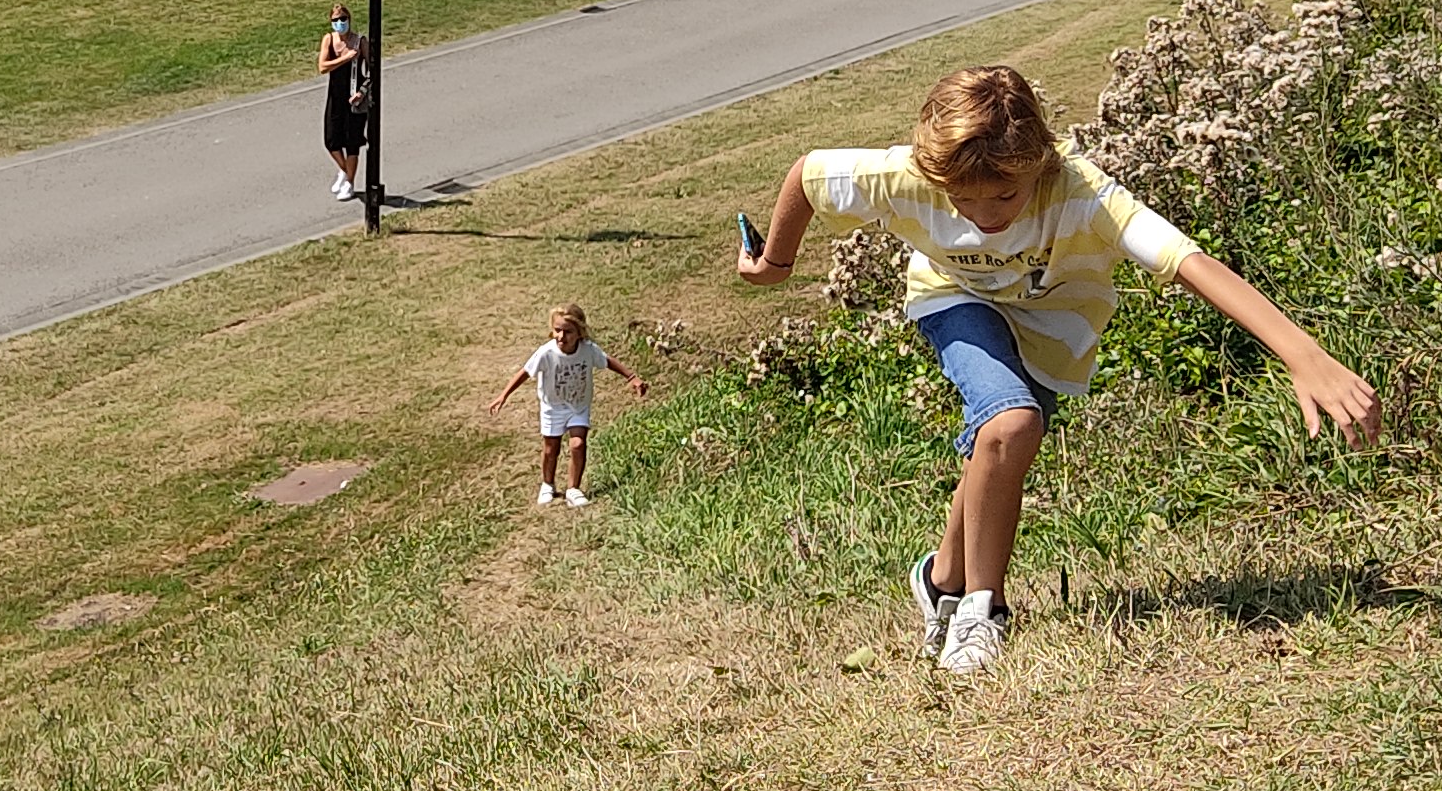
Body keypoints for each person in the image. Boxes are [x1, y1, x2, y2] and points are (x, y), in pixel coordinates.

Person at [735, 64, 1379, 676]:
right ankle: (981, 611)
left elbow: (1189, 262)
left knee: (998, 446)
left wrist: (1304, 355)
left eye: (1005, 195)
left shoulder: (1082, 193)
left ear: (1039, 161)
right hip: (954, 299)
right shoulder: (904, 175)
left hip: (1052, 325)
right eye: (963, 199)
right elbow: (808, 175)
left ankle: (941, 580)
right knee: (1011, 424)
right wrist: (774, 264)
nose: (986, 214)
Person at [489, 302, 647, 506]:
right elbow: (526, 372)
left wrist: (632, 377)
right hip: (552, 407)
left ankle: (573, 489)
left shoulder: (588, 350)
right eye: (557, 330)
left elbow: (607, 361)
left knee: (578, 444)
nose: (561, 336)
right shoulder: (546, 353)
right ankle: (548, 484)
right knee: (550, 449)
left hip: (578, 406)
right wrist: (504, 395)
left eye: (568, 332)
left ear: (580, 332)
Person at [317, 4, 368, 201]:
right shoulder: (329, 40)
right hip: (336, 96)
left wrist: (362, 92)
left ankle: (350, 183)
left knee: (352, 142)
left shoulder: (359, 42)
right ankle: (345, 170)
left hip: (355, 97)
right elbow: (323, 66)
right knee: (331, 139)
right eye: (336, 20)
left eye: (343, 19)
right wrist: (345, 58)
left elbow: (372, 70)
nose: (340, 23)